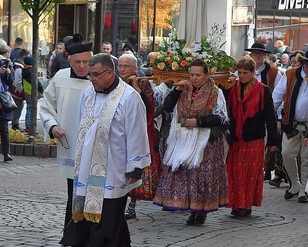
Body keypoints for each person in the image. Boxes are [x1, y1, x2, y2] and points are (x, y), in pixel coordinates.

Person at [59, 53, 151, 247]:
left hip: (114, 164)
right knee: (91, 205)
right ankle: (105, 244)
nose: (91, 79)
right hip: (88, 162)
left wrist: (136, 166)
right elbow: (84, 124)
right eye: (90, 75)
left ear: (110, 73)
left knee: (108, 208)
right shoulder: (89, 94)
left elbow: (137, 132)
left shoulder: (129, 97)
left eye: (95, 74)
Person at [154, 59, 229, 225]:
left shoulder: (216, 92)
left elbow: (221, 118)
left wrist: (199, 122)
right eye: (192, 74)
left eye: (198, 75)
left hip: (205, 142)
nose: (194, 78)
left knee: (202, 176)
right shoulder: (182, 89)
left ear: (207, 75)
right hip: (183, 138)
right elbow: (166, 108)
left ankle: (201, 211)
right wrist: (175, 92)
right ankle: (189, 207)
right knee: (185, 174)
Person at [39, 34, 94, 242]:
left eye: (87, 62)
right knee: (74, 194)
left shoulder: (98, 78)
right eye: (78, 62)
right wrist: (52, 126)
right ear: (68, 59)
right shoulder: (60, 78)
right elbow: (46, 106)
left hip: (95, 148)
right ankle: (74, 239)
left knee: (94, 193)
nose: (82, 67)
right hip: (71, 146)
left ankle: (92, 240)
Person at [272, 49, 308, 204]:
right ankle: (295, 183)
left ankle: (304, 189)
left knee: (307, 158)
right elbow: (277, 97)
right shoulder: (290, 75)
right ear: (306, 64)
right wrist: (274, 118)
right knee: (287, 154)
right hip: (291, 124)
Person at [224, 56, 277, 217]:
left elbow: (270, 116)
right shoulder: (232, 87)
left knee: (250, 173)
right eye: (239, 72)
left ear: (253, 72)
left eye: (245, 73)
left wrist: (273, 141)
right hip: (236, 137)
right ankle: (236, 204)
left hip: (254, 138)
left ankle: (245, 205)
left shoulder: (263, 90)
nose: (242, 76)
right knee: (235, 172)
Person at [117, 53, 162, 220]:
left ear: (134, 68)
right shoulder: (115, 82)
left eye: (125, 66)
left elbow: (149, 110)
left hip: (139, 129)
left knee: (134, 166)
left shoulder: (143, 84)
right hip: (120, 130)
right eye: (120, 66)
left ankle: (132, 206)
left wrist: (137, 91)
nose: (122, 69)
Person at [245, 42, 282, 186]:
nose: (257, 56)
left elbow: (279, 95)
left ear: (265, 56)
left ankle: (263, 170)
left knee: (264, 144)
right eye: (254, 54)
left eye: (260, 54)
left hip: (265, 115)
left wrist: (277, 116)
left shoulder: (274, 72)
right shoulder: (241, 70)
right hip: (246, 115)